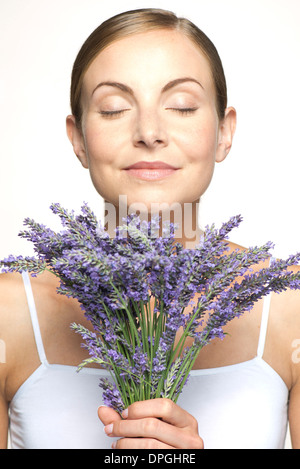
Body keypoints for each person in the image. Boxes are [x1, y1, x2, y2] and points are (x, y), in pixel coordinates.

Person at [0, 8, 299, 449]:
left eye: (181, 105)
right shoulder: (9, 313)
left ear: (224, 132)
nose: (149, 131)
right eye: (114, 108)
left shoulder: (289, 307)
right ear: (78, 138)